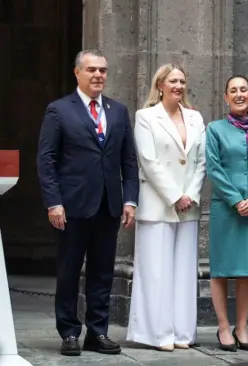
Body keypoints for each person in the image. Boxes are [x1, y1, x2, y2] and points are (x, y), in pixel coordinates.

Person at [36, 49, 139, 356]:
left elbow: (128, 160)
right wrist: (54, 202)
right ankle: (69, 332)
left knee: (103, 272)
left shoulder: (118, 111)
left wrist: (130, 200)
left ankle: (98, 331)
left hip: (108, 206)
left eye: (103, 70)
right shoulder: (58, 110)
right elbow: (47, 159)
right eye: (92, 69)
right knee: (69, 270)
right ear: (77, 73)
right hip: (71, 207)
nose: (98, 75)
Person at [126, 64, 206, 351]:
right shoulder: (146, 117)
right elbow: (148, 161)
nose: (179, 85)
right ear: (160, 84)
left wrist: (191, 195)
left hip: (189, 207)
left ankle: (183, 333)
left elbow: (201, 162)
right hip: (158, 204)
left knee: (185, 272)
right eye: (173, 80)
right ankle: (156, 334)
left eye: (183, 81)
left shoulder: (196, 117)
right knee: (156, 271)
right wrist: (175, 195)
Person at [205, 75, 248, 352]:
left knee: (247, 270)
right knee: (220, 270)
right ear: (226, 97)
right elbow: (214, 169)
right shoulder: (215, 130)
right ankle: (223, 326)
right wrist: (237, 200)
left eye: (243, 90)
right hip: (226, 208)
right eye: (232, 90)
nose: (238, 94)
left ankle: (242, 326)